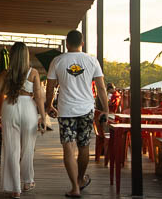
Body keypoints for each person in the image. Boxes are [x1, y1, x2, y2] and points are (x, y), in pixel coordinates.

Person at [46, 30, 109, 198]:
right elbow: (102, 88)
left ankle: (74, 187)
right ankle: (80, 179)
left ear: (67, 43)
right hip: (86, 109)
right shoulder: (91, 60)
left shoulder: (57, 61)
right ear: (82, 43)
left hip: (66, 110)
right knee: (84, 147)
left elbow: (50, 88)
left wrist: (48, 105)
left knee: (68, 148)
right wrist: (106, 109)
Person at [0, 42, 46, 198]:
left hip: (9, 108)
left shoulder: (4, 74)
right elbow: (39, 97)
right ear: (26, 56)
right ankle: (28, 181)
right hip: (28, 107)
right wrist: (42, 116)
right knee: (28, 148)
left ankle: (15, 188)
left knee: (11, 149)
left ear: (13, 56)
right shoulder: (33, 72)